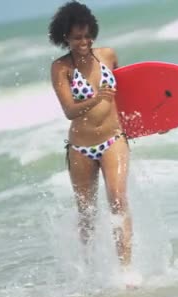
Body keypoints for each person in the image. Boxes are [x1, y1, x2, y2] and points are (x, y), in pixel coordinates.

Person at [48, 1, 135, 277]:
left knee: (118, 199)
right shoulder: (61, 68)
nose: (84, 42)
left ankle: (126, 271)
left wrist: (158, 120)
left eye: (87, 36)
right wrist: (96, 98)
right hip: (81, 148)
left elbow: (130, 93)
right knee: (86, 214)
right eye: (77, 38)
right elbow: (69, 110)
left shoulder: (108, 55)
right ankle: (88, 272)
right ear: (65, 37)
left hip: (114, 139)